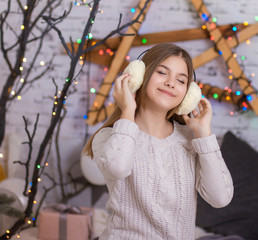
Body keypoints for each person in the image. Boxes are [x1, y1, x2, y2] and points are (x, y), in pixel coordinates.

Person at [83, 43, 234, 240]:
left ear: (188, 95)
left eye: (181, 80)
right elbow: (118, 168)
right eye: (162, 73)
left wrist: (204, 134)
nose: (171, 83)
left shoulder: (190, 140)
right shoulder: (111, 136)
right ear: (139, 77)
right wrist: (127, 110)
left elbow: (220, 198)